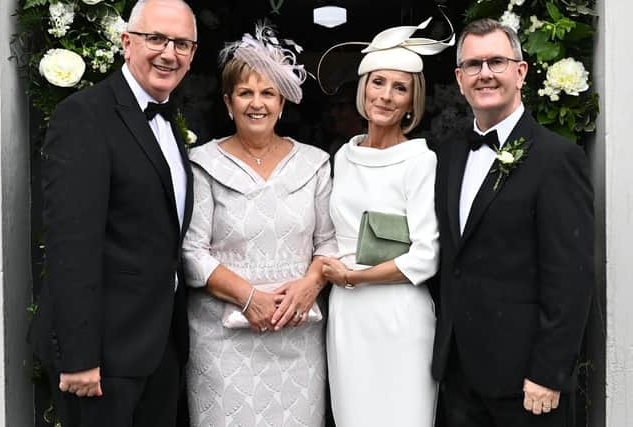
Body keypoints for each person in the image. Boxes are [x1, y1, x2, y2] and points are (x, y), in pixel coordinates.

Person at [28, 0, 197, 425]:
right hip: (102, 360)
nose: (168, 53)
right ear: (126, 42)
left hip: (156, 350)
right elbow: (70, 244)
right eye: (156, 38)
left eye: (182, 43)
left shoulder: (168, 123)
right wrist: (80, 357)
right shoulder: (85, 115)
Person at [431, 18, 594, 427]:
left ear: (520, 72)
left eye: (496, 62)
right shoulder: (446, 155)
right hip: (459, 377)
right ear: (460, 78)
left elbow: (571, 276)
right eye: (473, 65)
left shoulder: (557, 159)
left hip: (528, 384)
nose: (484, 73)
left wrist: (549, 372)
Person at [181, 24, 336, 426]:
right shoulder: (202, 164)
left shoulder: (315, 163)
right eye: (245, 93)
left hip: (297, 335)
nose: (257, 103)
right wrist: (250, 298)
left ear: (282, 102)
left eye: (267, 93)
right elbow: (191, 252)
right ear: (228, 102)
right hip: (224, 340)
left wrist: (309, 285)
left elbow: (329, 243)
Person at [319, 19, 453, 427]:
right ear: (363, 88)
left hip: (398, 317)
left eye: (400, 88)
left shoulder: (419, 160)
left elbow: (426, 257)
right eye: (378, 83)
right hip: (348, 317)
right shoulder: (344, 156)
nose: (387, 96)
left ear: (413, 100)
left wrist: (357, 279)